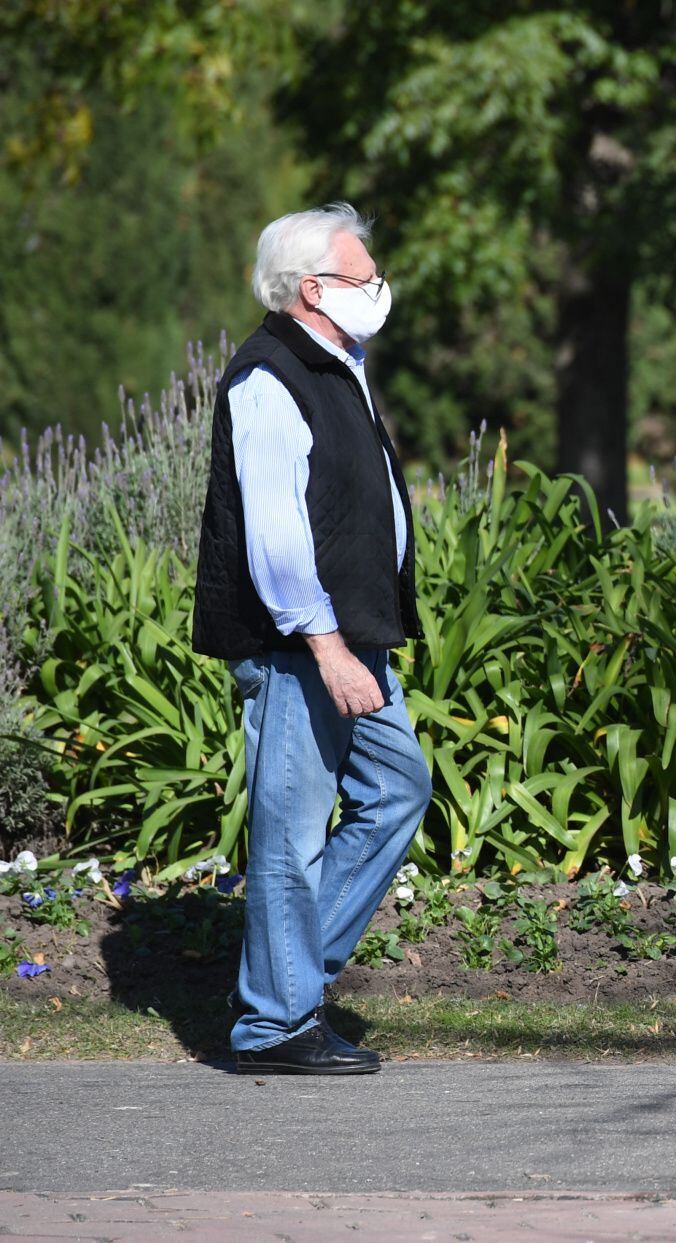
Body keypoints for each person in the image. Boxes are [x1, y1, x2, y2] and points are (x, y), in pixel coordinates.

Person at [192, 203, 430, 1075]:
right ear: (313, 288)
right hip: (302, 647)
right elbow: (277, 539)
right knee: (290, 835)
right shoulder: (267, 377)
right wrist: (327, 646)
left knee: (400, 787)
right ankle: (271, 1025)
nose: (380, 289)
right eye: (366, 277)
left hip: (348, 637)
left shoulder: (340, 362)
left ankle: (283, 981)